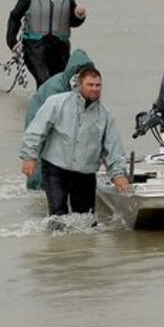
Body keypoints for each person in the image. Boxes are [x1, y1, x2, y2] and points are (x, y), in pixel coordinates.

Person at [19, 67, 129, 216]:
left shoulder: (105, 115)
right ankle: (57, 240)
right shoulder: (57, 103)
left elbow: (113, 147)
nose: (95, 89)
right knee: (58, 215)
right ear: (79, 85)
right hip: (55, 168)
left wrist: (118, 174)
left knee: (86, 220)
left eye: (98, 85)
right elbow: (36, 130)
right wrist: (29, 156)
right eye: (90, 85)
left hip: (85, 173)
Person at [6, 0, 87, 87]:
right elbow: (14, 16)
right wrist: (12, 42)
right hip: (34, 46)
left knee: (59, 83)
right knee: (44, 81)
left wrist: (79, 15)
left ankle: (53, 105)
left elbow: (72, 22)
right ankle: (43, 103)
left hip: (60, 47)